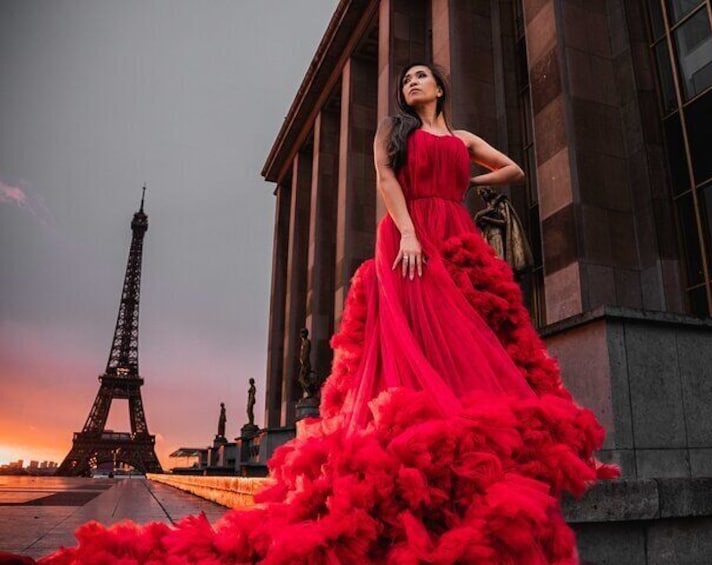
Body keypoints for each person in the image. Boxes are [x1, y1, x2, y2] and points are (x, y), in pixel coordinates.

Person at [30, 62, 617, 564]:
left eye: (421, 76)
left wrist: (465, 186)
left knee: (463, 335)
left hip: (455, 230)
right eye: (406, 78)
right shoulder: (396, 130)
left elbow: (513, 169)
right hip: (410, 238)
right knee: (416, 337)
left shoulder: (461, 138)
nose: (411, 82)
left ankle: (468, 439)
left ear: (439, 87)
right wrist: (411, 231)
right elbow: (385, 177)